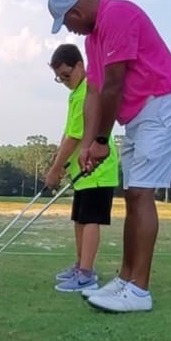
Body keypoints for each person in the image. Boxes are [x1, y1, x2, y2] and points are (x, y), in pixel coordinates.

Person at [47, 0, 171, 313]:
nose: (69, 29)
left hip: (164, 103)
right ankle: (126, 279)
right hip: (140, 113)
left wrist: (101, 141)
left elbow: (114, 86)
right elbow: (94, 94)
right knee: (132, 194)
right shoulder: (93, 37)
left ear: (76, 12)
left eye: (67, 22)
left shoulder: (118, 15)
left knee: (141, 193)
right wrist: (87, 145)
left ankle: (138, 290)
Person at [43, 43, 120, 293]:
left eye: (67, 75)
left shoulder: (88, 89)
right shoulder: (75, 93)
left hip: (97, 169)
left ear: (80, 65)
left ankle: (86, 274)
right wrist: (60, 162)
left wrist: (56, 170)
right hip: (81, 171)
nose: (65, 81)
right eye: (59, 78)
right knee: (79, 218)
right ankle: (80, 265)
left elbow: (76, 137)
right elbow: (68, 134)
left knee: (90, 220)